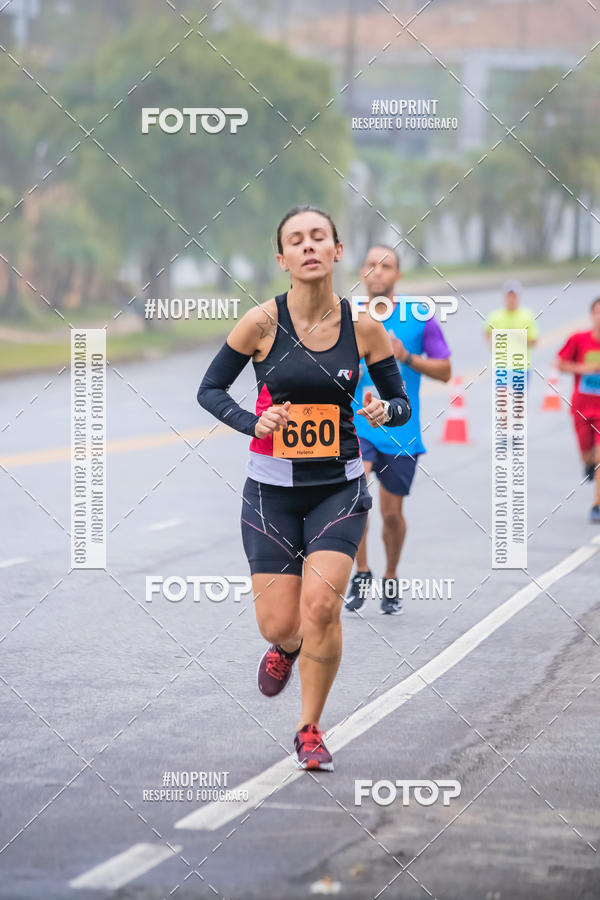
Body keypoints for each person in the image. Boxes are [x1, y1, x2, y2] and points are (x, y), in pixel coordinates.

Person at [196, 206, 411, 771]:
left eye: (320, 237)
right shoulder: (260, 324)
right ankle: (285, 649)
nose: (309, 246)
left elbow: (400, 404)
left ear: (338, 251)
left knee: (322, 608)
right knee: (281, 623)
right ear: (282, 258)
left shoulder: (365, 328)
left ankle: (310, 728)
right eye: (297, 240)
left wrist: (381, 410)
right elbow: (210, 389)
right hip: (271, 492)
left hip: (338, 489)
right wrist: (252, 421)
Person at [345, 246, 452, 615]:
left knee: (391, 512)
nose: (378, 272)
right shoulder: (346, 317)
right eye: (372, 266)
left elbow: (445, 370)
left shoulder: (419, 317)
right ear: (362, 272)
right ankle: (361, 571)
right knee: (355, 497)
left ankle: (390, 576)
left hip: (400, 429)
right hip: (356, 424)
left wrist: (405, 357)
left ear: (397, 275)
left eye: (386, 266)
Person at [557, 297, 600, 523]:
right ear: (592, 316)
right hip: (582, 409)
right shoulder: (578, 339)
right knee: (587, 455)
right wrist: (583, 368)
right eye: (598, 313)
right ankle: (588, 464)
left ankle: (596, 505)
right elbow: (561, 363)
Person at [484, 280, 538, 376]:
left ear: (518, 297)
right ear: (504, 297)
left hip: (521, 367)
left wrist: (518, 337)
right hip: (501, 367)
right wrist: (491, 343)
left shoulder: (527, 316)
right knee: (503, 391)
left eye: (514, 296)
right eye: (509, 296)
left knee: (516, 391)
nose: (511, 299)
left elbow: (534, 342)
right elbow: (487, 331)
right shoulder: (495, 316)